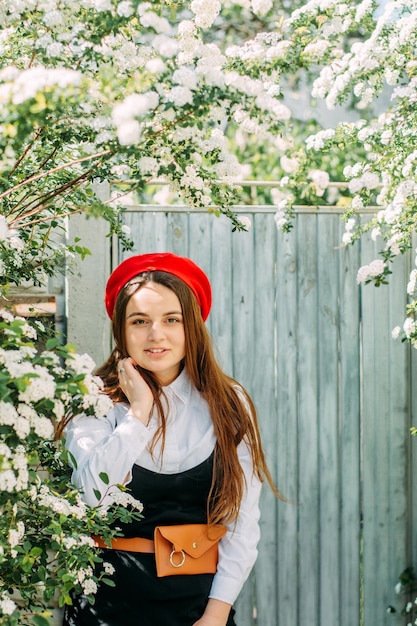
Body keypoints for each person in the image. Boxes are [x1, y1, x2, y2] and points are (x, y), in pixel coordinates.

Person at [62, 252, 279, 626]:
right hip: (107, 606)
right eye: (140, 321)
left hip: (198, 607)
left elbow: (242, 524)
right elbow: (90, 497)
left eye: (171, 319)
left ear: (191, 326)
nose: (155, 334)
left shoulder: (229, 404)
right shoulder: (94, 401)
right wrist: (139, 413)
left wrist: (216, 613)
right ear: (121, 331)